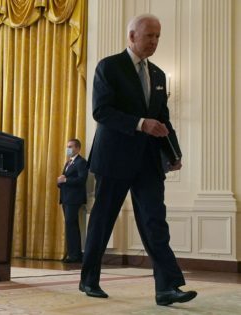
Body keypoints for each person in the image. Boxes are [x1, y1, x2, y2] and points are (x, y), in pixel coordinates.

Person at [79, 14, 197, 306]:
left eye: (158, 36)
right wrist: (140, 123)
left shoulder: (157, 75)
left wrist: (173, 154)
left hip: (147, 163)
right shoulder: (109, 66)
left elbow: (163, 120)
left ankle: (167, 287)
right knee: (103, 221)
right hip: (113, 159)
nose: (155, 42)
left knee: (155, 222)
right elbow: (101, 111)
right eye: (149, 36)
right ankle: (88, 280)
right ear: (132, 36)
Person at [57, 139, 88, 263]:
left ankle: (74, 255)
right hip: (66, 198)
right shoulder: (68, 162)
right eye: (67, 147)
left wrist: (65, 180)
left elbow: (82, 180)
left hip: (74, 199)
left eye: (70, 146)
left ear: (78, 148)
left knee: (71, 226)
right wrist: (60, 181)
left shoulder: (81, 162)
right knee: (71, 226)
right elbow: (64, 179)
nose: (68, 149)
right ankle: (74, 254)